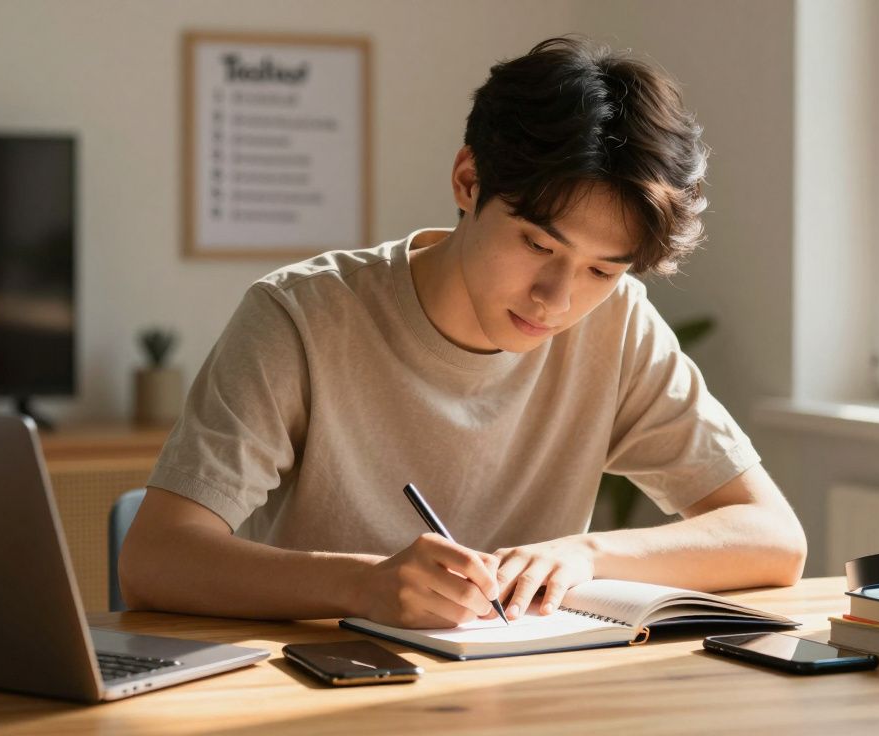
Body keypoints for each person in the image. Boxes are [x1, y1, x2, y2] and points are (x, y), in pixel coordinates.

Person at [120, 36, 807, 629]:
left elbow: (773, 538)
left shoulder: (619, 324)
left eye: (601, 269)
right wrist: (362, 586)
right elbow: (156, 558)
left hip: (524, 691)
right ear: (467, 179)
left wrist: (585, 554)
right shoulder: (302, 317)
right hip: (328, 690)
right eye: (538, 245)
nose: (558, 300)